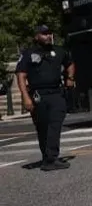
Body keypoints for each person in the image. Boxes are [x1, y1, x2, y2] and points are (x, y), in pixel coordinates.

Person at [15, 25, 75, 170]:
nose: (48, 36)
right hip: (38, 95)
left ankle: (51, 158)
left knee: (55, 124)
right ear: (36, 37)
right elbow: (21, 75)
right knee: (42, 127)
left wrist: (70, 78)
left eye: (49, 33)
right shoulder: (28, 54)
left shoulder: (59, 51)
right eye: (44, 34)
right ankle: (47, 158)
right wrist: (25, 97)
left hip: (56, 93)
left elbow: (70, 63)